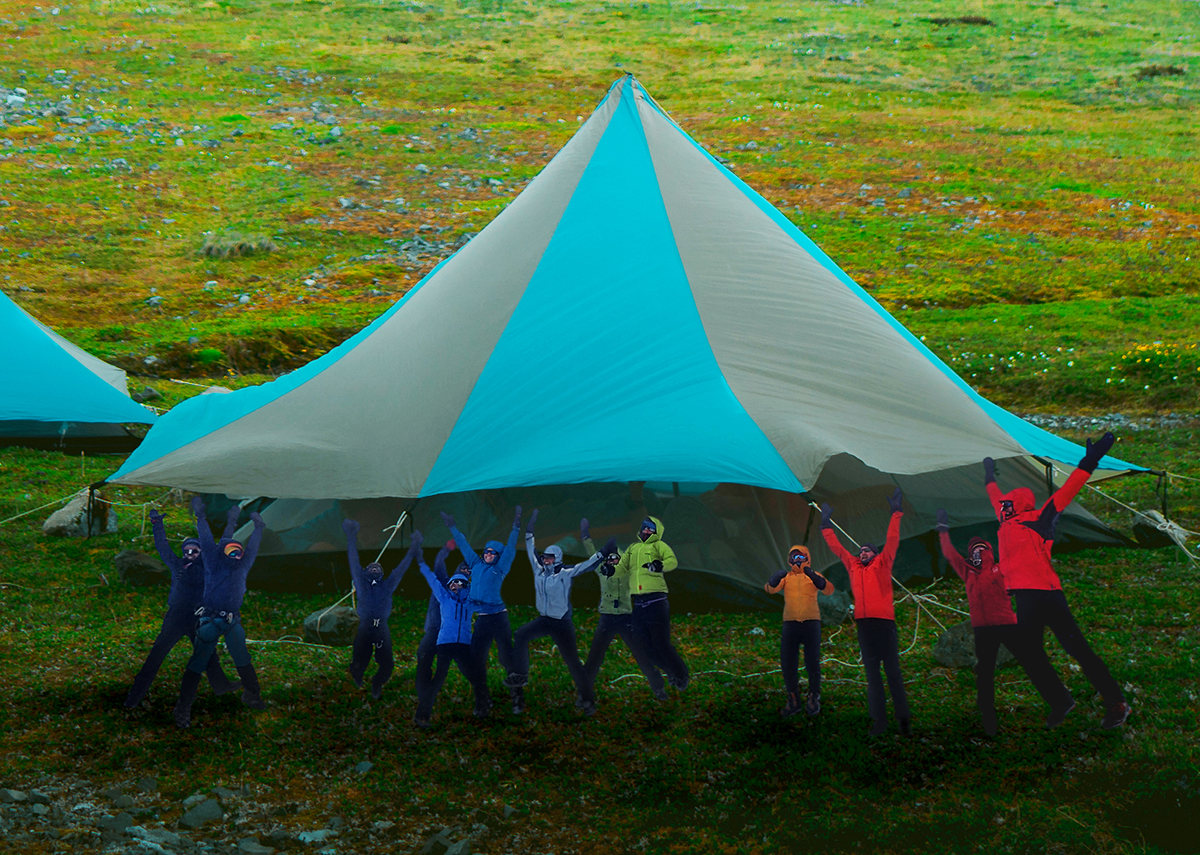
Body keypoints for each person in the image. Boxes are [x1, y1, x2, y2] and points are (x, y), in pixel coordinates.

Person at [984, 431, 1130, 729]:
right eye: (1003, 504)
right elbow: (993, 495)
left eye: (1007, 503)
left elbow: (1069, 490)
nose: (1002, 506)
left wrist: (1090, 460)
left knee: (1077, 649)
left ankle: (1116, 702)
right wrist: (988, 474)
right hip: (1024, 597)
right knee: (1030, 652)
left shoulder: (1040, 518)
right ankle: (1061, 701)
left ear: (1018, 504)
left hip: (1048, 596)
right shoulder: (1004, 521)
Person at [935, 509, 1072, 735]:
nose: (978, 553)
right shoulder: (968, 573)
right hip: (982, 630)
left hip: (1007, 624)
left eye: (982, 549)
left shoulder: (1000, 569)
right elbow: (950, 554)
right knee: (984, 673)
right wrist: (942, 531)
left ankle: (1061, 701)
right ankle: (988, 719)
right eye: (974, 551)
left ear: (989, 551)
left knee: (1032, 662)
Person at [123, 509, 240, 708]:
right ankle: (134, 696)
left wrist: (229, 521)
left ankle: (221, 685)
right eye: (187, 551)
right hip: (176, 616)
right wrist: (157, 524)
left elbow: (221, 546)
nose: (190, 554)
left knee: (207, 650)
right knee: (157, 654)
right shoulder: (178, 566)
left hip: (198, 616)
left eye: (195, 550)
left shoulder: (208, 567)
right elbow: (163, 547)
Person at [821, 488, 911, 736]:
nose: (863, 552)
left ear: (875, 553)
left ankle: (903, 719)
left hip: (883, 624)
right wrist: (825, 524)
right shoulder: (853, 567)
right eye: (860, 550)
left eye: (867, 550)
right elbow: (838, 548)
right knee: (873, 675)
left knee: (892, 672)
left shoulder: (882, 564)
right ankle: (879, 720)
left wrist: (896, 512)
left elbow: (892, 539)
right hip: (864, 625)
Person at [173, 497, 266, 729]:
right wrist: (201, 517)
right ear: (223, 554)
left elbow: (252, 547)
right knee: (198, 661)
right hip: (212, 618)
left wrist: (258, 529)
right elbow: (207, 538)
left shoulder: (243, 565)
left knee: (242, 657)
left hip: (232, 620)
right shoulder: (214, 564)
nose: (237, 556)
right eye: (232, 553)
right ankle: (183, 706)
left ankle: (252, 694)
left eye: (239, 553)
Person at [507, 510, 604, 716]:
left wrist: (602, 553)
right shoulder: (538, 571)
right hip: (544, 620)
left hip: (561, 623)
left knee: (572, 661)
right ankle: (521, 678)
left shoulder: (565, 574)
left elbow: (586, 565)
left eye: (549, 558)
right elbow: (530, 548)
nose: (545, 561)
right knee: (521, 634)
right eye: (544, 558)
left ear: (557, 559)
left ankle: (587, 700)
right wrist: (530, 528)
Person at [441, 506, 522, 708]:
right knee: (476, 660)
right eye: (486, 551)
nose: (487, 555)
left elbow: (511, 548)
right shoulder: (476, 564)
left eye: (492, 553)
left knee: (506, 656)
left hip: (498, 618)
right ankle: (482, 699)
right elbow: (464, 545)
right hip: (483, 619)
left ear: (498, 556)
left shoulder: (500, 568)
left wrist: (516, 526)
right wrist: (453, 527)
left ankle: (517, 697)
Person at [580, 518, 667, 702]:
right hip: (607, 618)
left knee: (641, 653)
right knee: (595, 656)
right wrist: (585, 536)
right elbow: (591, 555)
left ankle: (658, 688)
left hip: (626, 617)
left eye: (616, 558)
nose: (613, 561)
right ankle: (583, 693)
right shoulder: (602, 571)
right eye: (610, 558)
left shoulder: (628, 572)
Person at [343, 519, 423, 699]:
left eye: (377, 568)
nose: (375, 568)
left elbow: (401, 568)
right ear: (365, 573)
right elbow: (354, 562)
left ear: (382, 574)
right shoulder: (362, 585)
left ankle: (376, 686)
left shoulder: (387, 586)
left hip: (381, 629)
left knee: (386, 665)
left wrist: (414, 546)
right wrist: (351, 537)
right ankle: (358, 679)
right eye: (371, 568)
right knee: (359, 662)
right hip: (365, 629)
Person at [614, 516, 689, 691]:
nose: (646, 531)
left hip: (656, 601)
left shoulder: (659, 546)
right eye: (644, 528)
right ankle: (670, 671)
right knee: (643, 644)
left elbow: (672, 561)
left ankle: (681, 674)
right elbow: (622, 567)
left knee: (661, 642)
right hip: (639, 603)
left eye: (651, 529)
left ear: (657, 532)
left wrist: (659, 565)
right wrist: (612, 569)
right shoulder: (633, 548)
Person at [415, 559, 489, 727]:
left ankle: (483, 708)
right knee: (438, 680)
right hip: (446, 645)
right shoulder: (445, 599)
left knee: (475, 677)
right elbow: (433, 581)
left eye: (460, 583)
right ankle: (422, 716)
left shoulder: (469, 603)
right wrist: (423, 565)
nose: (456, 585)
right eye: (453, 583)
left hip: (463, 646)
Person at [764, 545, 833, 718]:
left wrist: (814, 576)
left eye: (801, 557)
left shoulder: (813, 576)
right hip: (791, 624)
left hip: (811, 623)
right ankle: (793, 698)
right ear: (789, 560)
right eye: (794, 558)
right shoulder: (786, 578)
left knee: (812, 661)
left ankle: (813, 697)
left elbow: (828, 589)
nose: (798, 562)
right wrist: (773, 580)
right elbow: (770, 590)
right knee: (788, 661)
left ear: (808, 558)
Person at [415, 540, 465, 709]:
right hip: (434, 630)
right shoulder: (441, 584)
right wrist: (446, 548)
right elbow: (438, 564)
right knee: (423, 657)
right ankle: (424, 694)